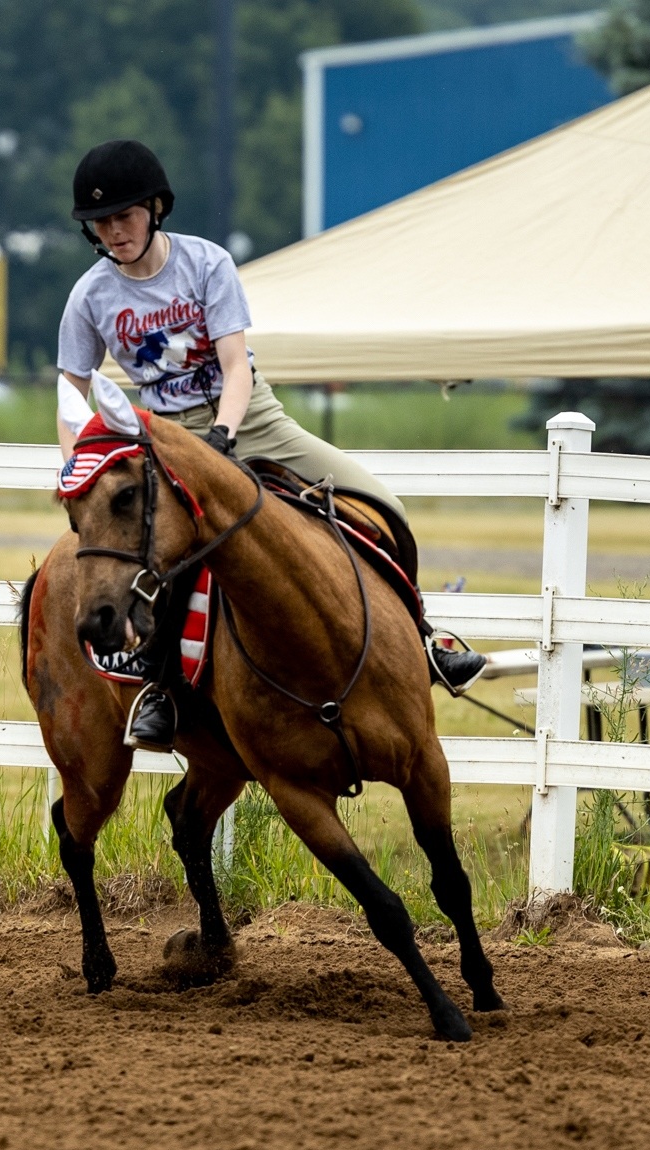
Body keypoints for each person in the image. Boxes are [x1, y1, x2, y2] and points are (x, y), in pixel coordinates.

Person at [56, 139, 485, 752]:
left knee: (382, 503)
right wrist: (79, 468)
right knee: (170, 561)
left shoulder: (207, 265)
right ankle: (159, 687)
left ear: (155, 209)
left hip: (249, 417)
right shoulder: (89, 296)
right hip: (166, 437)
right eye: (100, 222)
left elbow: (235, 367)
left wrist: (224, 437)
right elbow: (70, 392)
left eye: (123, 216)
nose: (113, 231)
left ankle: (422, 639)